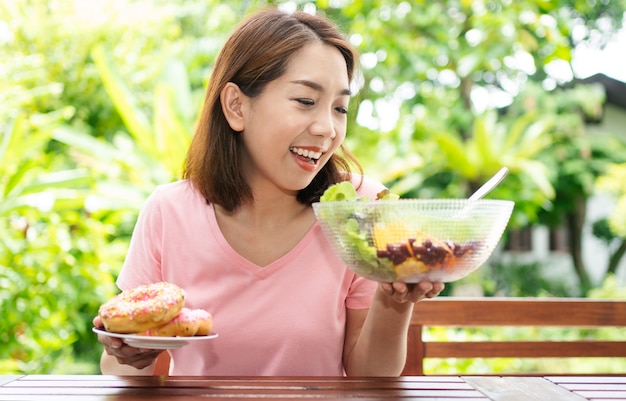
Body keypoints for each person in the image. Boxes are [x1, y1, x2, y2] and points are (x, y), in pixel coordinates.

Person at [93, 6, 444, 376]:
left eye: (340, 108)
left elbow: (369, 380)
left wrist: (396, 300)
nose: (328, 128)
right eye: (306, 101)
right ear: (236, 106)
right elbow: (124, 372)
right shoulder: (170, 211)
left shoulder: (363, 210)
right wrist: (129, 353)